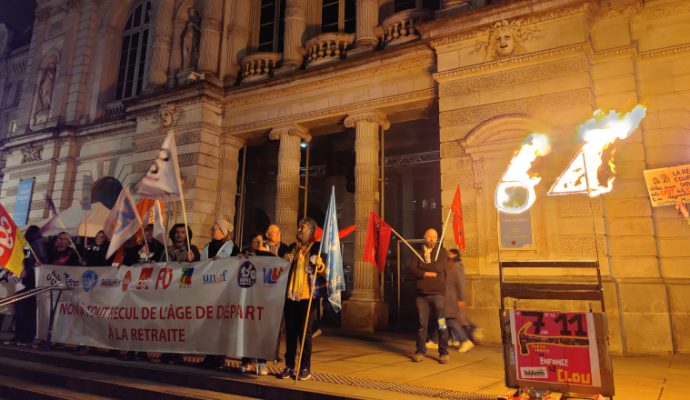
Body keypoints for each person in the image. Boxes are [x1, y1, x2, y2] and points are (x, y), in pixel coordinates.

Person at [277, 218, 326, 381]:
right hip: (291, 296)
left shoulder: (317, 248)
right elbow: (282, 266)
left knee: (305, 334)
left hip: (307, 297)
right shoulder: (293, 247)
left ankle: (305, 367)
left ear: (311, 231)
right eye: (298, 227)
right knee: (290, 332)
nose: (299, 230)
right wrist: (285, 259)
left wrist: (320, 265)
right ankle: (289, 365)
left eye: (302, 228)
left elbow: (324, 269)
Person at [409, 228, 450, 364]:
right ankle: (420, 351)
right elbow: (412, 269)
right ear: (424, 237)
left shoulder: (442, 252)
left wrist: (422, 265)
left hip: (438, 295)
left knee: (442, 324)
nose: (432, 239)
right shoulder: (418, 252)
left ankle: (443, 353)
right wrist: (425, 273)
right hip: (422, 296)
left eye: (434, 237)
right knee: (422, 325)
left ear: (437, 238)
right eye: (429, 236)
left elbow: (439, 268)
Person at [428, 248, 475, 353]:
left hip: (452, 299)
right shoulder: (448, 265)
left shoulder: (457, 266)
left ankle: (465, 340)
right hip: (446, 298)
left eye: (450, 253)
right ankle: (435, 341)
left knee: (449, 320)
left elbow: (460, 283)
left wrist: (461, 298)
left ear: (453, 255)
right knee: (441, 319)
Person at [238, 232, 272, 375]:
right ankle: (247, 361)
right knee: (247, 331)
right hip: (247, 300)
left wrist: (267, 254)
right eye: (255, 241)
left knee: (262, 331)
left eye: (260, 241)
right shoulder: (243, 257)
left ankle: (262, 362)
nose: (258, 244)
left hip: (263, 300)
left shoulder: (269, 257)